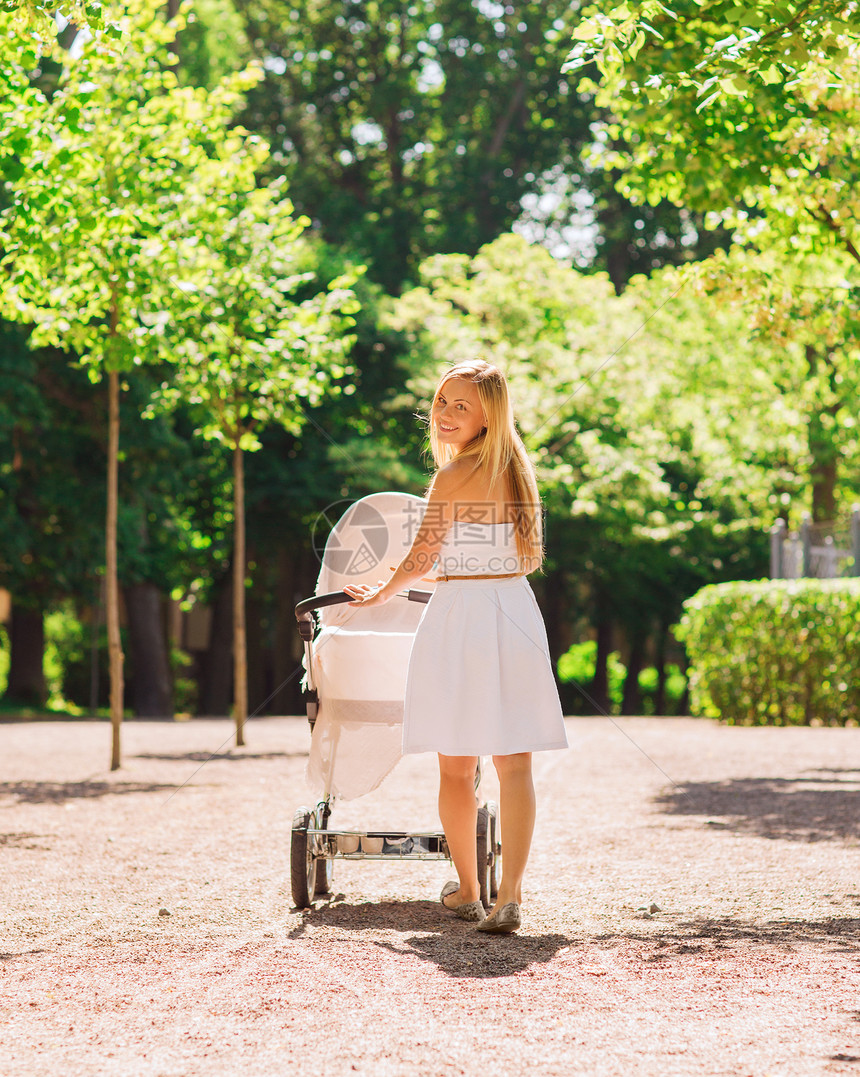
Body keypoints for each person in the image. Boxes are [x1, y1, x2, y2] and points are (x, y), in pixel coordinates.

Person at [344, 358, 567, 935]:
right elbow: (529, 558)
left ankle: (469, 890)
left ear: (488, 414)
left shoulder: (451, 478)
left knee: (455, 767)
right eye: (442, 401)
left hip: (459, 617)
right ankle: (510, 895)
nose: (443, 413)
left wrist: (378, 593)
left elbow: (421, 559)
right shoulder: (520, 473)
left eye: (459, 405)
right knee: (516, 764)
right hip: (513, 611)